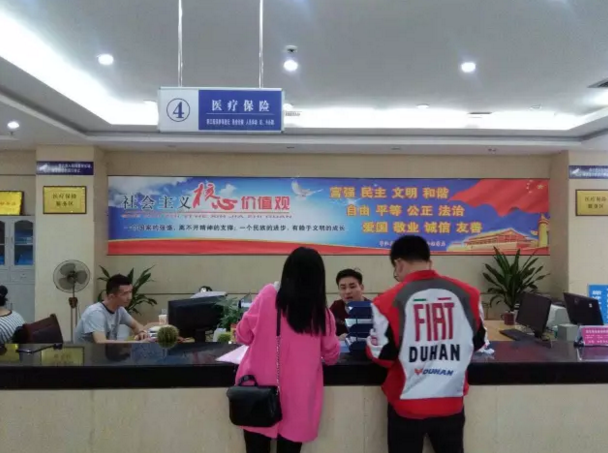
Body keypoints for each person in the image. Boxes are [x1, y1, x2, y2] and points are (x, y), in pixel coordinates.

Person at [366, 235, 486, 453]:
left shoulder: (386, 301)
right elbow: (478, 342)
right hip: (451, 401)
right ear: (429, 261)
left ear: (398, 264)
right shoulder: (469, 295)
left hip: (407, 405)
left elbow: (382, 355)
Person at [235, 247, 341, 453]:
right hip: (299, 400)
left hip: (258, 393)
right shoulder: (322, 314)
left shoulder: (268, 295)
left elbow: (242, 335)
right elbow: (331, 357)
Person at [74, 274, 149, 344]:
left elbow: (136, 325)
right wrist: (136, 343)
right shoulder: (95, 313)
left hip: (105, 351)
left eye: (130, 292)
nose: (130, 297)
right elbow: (101, 342)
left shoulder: (120, 309)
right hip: (89, 352)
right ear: (111, 297)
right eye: (125, 294)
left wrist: (142, 332)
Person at [329, 268, 370, 337]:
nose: (347, 291)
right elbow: (325, 333)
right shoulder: (336, 307)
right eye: (343, 288)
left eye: (352, 287)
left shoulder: (373, 308)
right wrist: (337, 338)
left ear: (361, 287)